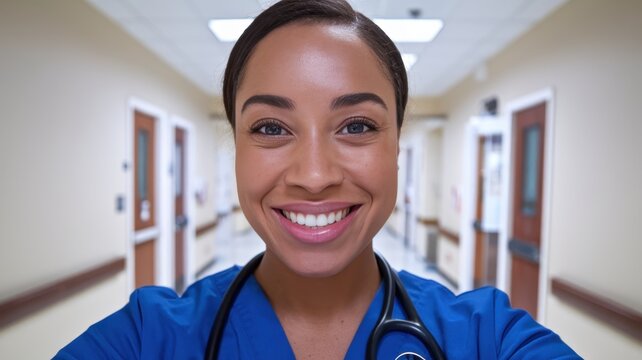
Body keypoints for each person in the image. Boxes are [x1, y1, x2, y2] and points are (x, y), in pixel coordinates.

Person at [55, 0, 580, 359]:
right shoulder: (150, 337)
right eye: (270, 128)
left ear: (396, 147)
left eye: (356, 126)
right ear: (236, 147)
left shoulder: (487, 337)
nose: (313, 176)